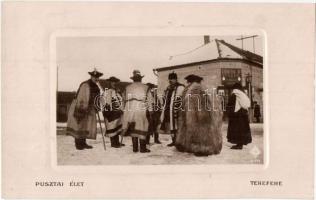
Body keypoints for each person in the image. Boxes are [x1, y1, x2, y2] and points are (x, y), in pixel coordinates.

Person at [175, 74, 223, 156]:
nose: (187, 83)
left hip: (198, 115)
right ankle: (193, 146)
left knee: (201, 132)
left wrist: (200, 115)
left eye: (188, 81)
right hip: (195, 115)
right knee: (197, 132)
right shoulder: (197, 88)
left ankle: (203, 149)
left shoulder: (196, 89)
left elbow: (201, 104)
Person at [66, 68, 103, 150]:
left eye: (97, 77)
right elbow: (82, 97)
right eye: (94, 77)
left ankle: (83, 143)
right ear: (91, 77)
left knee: (85, 126)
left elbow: (97, 98)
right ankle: (78, 144)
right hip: (80, 107)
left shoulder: (96, 87)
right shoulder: (85, 84)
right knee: (79, 125)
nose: (96, 79)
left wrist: (97, 107)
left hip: (89, 108)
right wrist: (82, 108)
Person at [122, 70, 154, 153]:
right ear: (141, 79)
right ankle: (142, 148)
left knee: (133, 126)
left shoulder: (127, 87)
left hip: (129, 108)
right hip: (140, 107)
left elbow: (123, 99)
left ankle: (135, 148)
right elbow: (150, 100)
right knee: (142, 126)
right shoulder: (146, 87)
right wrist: (150, 110)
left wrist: (123, 110)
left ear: (133, 79)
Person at [160, 72, 185, 147]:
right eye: (170, 79)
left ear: (176, 79)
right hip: (168, 109)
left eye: (172, 79)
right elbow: (165, 97)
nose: (170, 80)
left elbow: (181, 98)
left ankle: (180, 142)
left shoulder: (180, 87)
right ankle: (174, 141)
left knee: (178, 126)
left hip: (177, 110)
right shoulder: (168, 88)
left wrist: (178, 108)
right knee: (171, 126)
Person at [227, 83, 252, 150]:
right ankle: (240, 143)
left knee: (237, 129)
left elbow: (230, 105)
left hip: (237, 115)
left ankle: (239, 145)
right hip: (243, 115)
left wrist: (229, 114)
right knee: (242, 129)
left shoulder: (235, 94)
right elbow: (246, 105)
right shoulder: (243, 94)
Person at [101, 76, 125, 148]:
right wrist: (110, 110)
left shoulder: (116, 91)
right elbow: (106, 102)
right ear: (109, 83)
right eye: (112, 82)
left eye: (115, 82)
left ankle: (117, 142)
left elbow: (120, 101)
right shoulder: (107, 92)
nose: (114, 83)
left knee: (117, 126)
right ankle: (113, 143)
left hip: (117, 112)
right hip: (111, 113)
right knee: (112, 126)